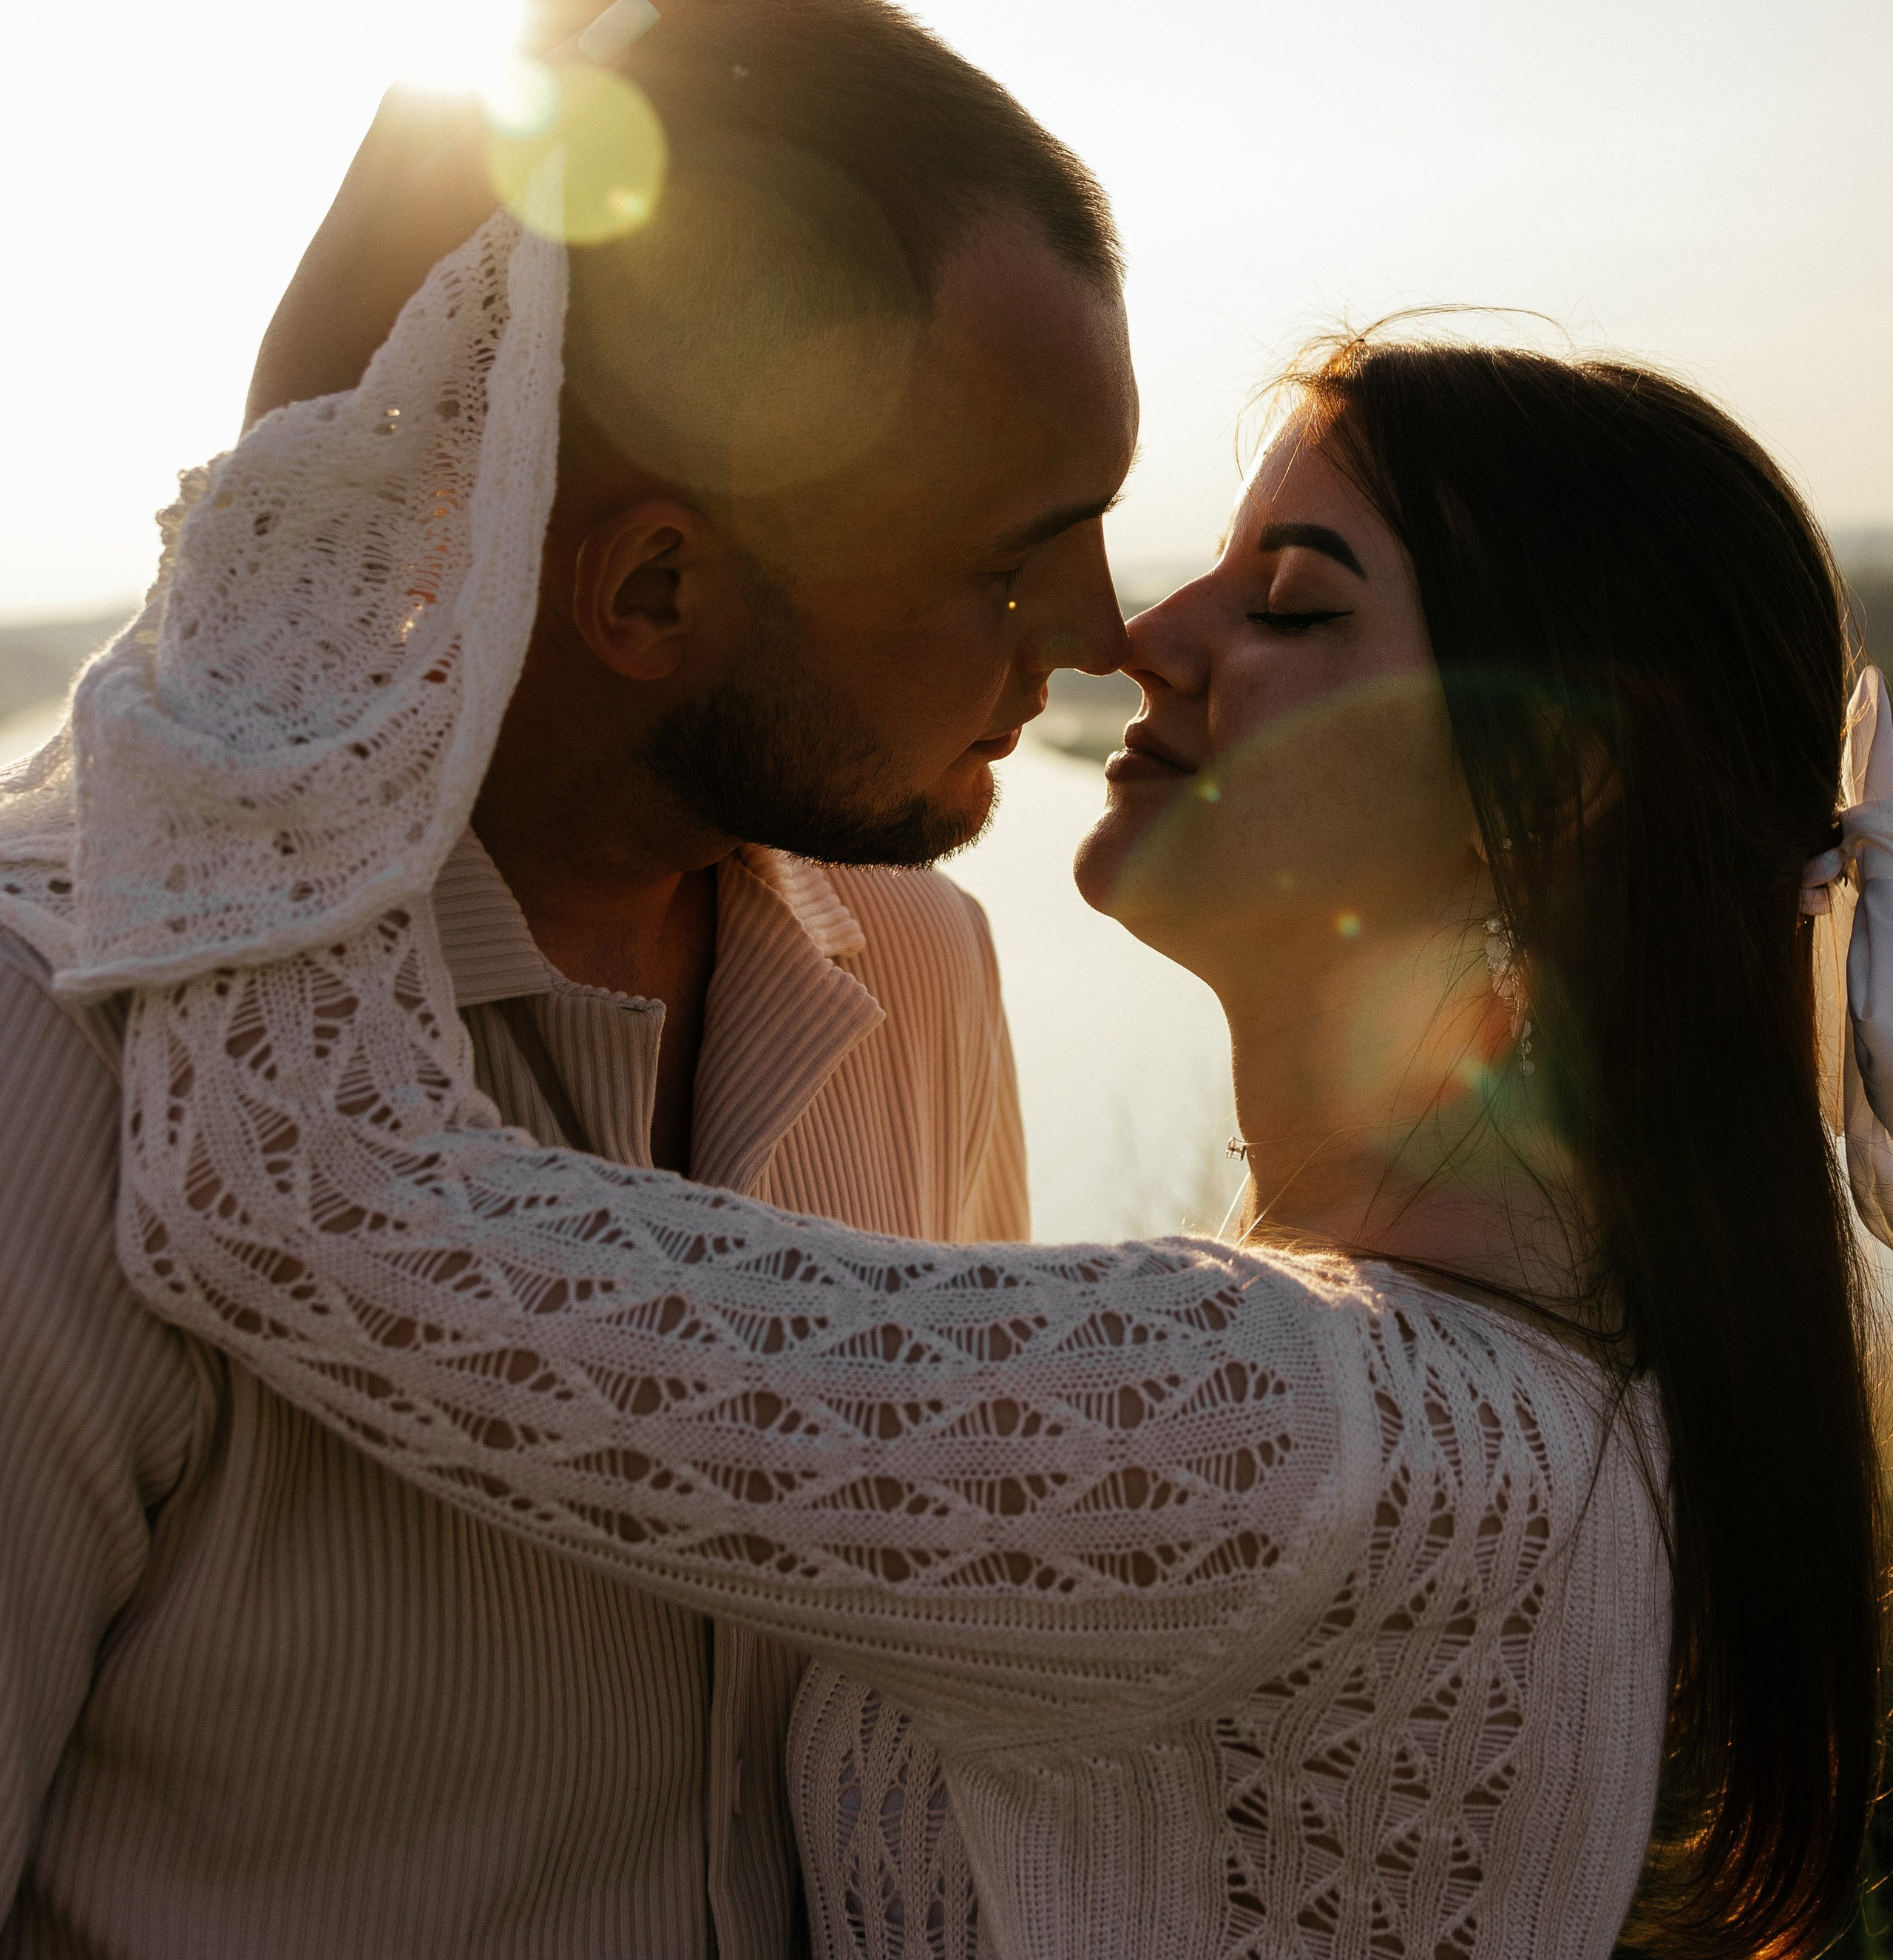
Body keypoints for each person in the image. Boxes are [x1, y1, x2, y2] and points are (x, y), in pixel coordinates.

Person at [57, 226, 1893, 1957]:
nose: (1143, 639)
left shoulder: (1278, 1427)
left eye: (1291, 606)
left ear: (1558, 783)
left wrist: (325, 434)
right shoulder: (1639, 1324)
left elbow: (303, 1190)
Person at [0, 0, 1140, 1957]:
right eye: (1012, 554)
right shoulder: (51, 1050)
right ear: (654, 586)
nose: (1107, 629)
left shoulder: (925, 974)